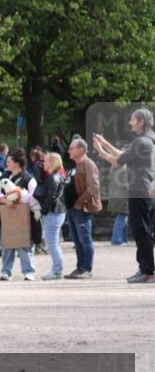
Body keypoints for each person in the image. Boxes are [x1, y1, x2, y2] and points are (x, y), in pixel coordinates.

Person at [93, 107, 155, 283]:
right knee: (144, 231)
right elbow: (124, 156)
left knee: (141, 231)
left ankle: (148, 271)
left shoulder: (140, 141)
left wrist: (100, 151)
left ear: (141, 122)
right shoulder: (149, 140)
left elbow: (118, 162)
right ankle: (144, 268)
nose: (130, 122)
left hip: (139, 191)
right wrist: (105, 143)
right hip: (145, 191)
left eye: (133, 119)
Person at [0, 149, 39, 281]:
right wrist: (5, 200)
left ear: (17, 163)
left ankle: (29, 272)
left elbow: (33, 197)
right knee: (7, 244)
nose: (6, 163)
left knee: (25, 244)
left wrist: (19, 199)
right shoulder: (4, 177)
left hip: (24, 216)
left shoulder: (29, 179)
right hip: (7, 216)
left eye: (9, 161)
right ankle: (6, 272)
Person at [63, 138, 101, 279]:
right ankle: (80, 267)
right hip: (72, 208)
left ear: (81, 150)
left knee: (85, 239)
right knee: (77, 241)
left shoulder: (88, 164)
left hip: (81, 208)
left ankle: (87, 269)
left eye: (71, 148)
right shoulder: (75, 165)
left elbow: (94, 187)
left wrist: (80, 202)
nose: (68, 151)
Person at [33, 152, 66, 281]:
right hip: (57, 212)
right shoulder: (58, 176)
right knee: (54, 243)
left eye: (46, 161)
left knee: (53, 244)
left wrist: (43, 210)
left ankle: (57, 271)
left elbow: (50, 197)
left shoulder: (53, 178)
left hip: (53, 213)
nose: (43, 164)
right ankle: (57, 270)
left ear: (52, 163)